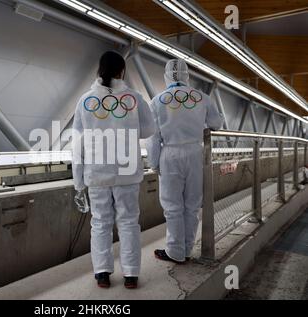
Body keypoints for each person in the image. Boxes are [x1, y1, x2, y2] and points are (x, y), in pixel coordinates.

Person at [72, 51, 156, 289]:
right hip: (126, 173)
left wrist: (78, 181)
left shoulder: (85, 101)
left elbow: (77, 144)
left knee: (100, 223)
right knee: (129, 222)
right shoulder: (134, 98)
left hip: (96, 174)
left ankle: (102, 273)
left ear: (99, 70)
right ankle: (130, 275)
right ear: (122, 71)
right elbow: (149, 130)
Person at [146, 58, 224, 264]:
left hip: (169, 154)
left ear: (166, 76)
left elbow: (153, 138)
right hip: (195, 153)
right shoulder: (203, 98)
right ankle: (188, 249)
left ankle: (175, 251)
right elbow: (217, 124)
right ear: (187, 75)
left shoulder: (157, 101)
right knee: (192, 204)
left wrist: (154, 163)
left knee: (172, 206)